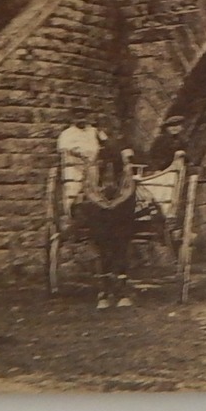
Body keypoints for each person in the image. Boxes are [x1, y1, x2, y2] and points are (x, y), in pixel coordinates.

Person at [57, 116, 138, 310]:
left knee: (121, 240)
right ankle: (103, 289)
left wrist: (127, 160)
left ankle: (121, 287)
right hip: (96, 188)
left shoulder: (118, 145)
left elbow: (128, 163)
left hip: (120, 192)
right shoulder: (88, 143)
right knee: (100, 240)